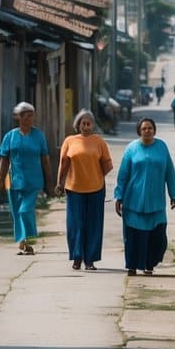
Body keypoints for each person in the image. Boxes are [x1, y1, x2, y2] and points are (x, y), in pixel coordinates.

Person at [114, 118, 175, 276]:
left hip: (156, 201)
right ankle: (132, 266)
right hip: (133, 201)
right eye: (144, 128)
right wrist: (119, 196)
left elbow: (169, 172)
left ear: (154, 131)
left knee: (158, 239)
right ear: (139, 131)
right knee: (133, 237)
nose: (147, 131)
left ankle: (149, 264)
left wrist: (174, 194)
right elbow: (122, 175)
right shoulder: (131, 149)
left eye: (150, 128)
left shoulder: (162, 147)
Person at [55, 109, 113, 271]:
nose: (86, 126)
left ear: (93, 125)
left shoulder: (99, 142)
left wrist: (95, 175)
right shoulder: (70, 141)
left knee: (93, 225)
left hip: (96, 188)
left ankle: (90, 260)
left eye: (89, 123)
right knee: (75, 225)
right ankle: (77, 257)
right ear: (78, 125)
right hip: (74, 189)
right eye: (83, 123)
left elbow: (107, 164)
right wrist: (59, 183)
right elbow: (63, 164)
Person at [0, 101, 52, 256]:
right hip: (14, 181)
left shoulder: (38, 136)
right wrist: (0, 177)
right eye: (24, 115)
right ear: (18, 117)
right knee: (16, 212)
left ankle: (30, 238)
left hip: (33, 181)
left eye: (30, 115)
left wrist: (49, 181)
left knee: (25, 210)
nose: (28, 119)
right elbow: (4, 158)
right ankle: (23, 241)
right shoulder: (10, 136)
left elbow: (45, 158)